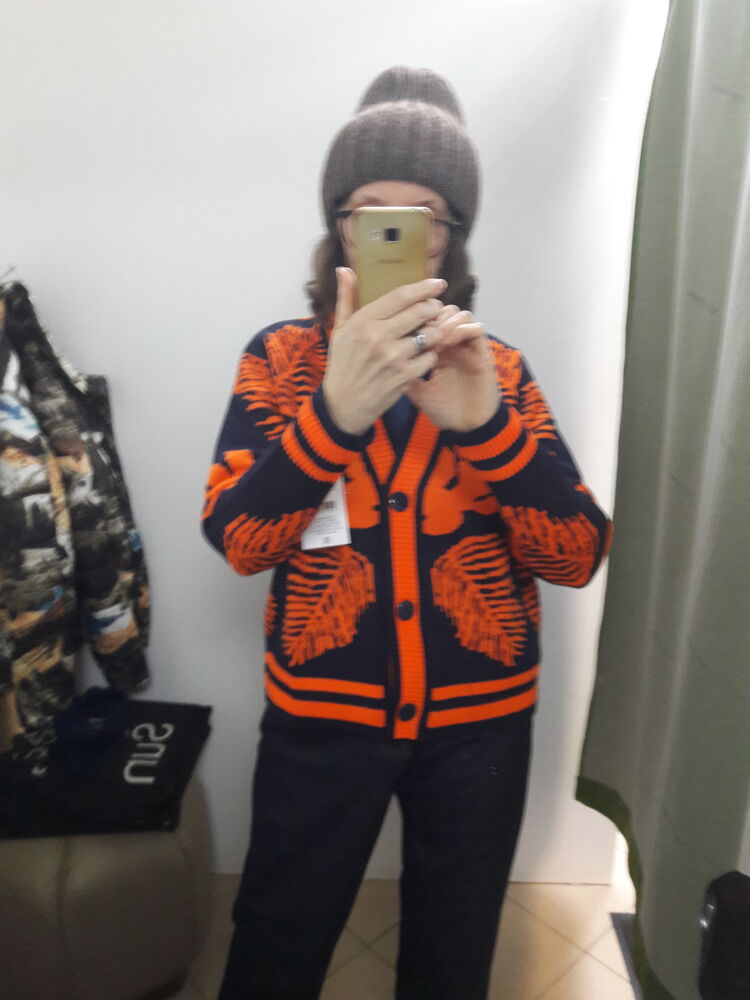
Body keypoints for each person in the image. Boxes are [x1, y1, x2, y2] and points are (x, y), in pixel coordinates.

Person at [202, 66, 612, 1000]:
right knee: (275, 945)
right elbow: (240, 542)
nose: (397, 235)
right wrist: (334, 414)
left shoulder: (497, 368)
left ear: (451, 238)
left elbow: (577, 555)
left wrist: (488, 428)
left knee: (451, 958)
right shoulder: (281, 359)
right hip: (320, 722)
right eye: (370, 213)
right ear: (339, 230)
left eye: (424, 215)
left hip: (480, 730)